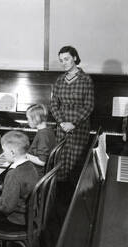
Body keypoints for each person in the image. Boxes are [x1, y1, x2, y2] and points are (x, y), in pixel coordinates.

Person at [50, 46, 95, 185]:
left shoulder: (86, 80)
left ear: (74, 58)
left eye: (67, 59)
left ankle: (72, 200)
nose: (64, 62)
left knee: (75, 166)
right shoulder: (59, 80)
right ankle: (59, 199)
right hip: (62, 128)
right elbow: (53, 105)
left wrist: (73, 123)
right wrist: (62, 123)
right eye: (61, 60)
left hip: (79, 128)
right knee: (60, 163)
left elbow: (89, 106)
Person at [0, 131, 39, 229]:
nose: (3, 154)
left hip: (16, 220)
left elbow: (6, 208)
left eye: (4, 151)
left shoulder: (13, 174)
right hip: (28, 216)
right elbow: (19, 189)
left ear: (12, 152)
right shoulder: (30, 166)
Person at [26, 104, 56, 178]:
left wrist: (25, 155)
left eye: (28, 119)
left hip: (37, 172)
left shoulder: (43, 135)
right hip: (40, 169)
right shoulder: (48, 130)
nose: (27, 121)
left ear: (37, 118)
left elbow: (42, 162)